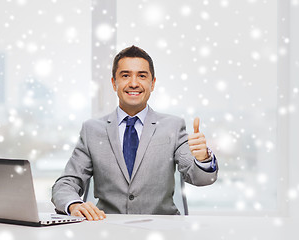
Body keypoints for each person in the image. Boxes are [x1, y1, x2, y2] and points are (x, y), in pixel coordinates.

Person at [52, 45, 218, 221]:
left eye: (142, 76)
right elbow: (65, 184)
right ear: (113, 83)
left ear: (152, 83)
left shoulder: (173, 127)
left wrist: (203, 159)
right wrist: (73, 205)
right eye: (125, 75)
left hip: (162, 231)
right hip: (107, 230)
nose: (133, 83)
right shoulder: (92, 130)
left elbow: (200, 179)